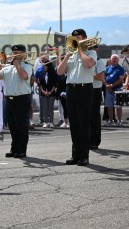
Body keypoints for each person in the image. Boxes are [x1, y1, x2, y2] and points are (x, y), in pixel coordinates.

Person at [57, 28, 97, 166]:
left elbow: (89, 64)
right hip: (71, 89)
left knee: (84, 124)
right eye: (74, 38)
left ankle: (84, 156)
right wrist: (67, 56)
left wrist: (80, 50)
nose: (75, 40)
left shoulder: (91, 52)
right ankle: (75, 155)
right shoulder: (71, 54)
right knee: (74, 124)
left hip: (84, 89)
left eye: (78, 37)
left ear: (85, 38)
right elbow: (60, 72)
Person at [0, 44, 32, 158]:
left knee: (21, 125)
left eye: (17, 53)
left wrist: (17, 65)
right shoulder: (7, 67)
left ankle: (21, 150)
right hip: (9, 99)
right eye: (14, 52)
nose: (14, 54)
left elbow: (24, 77)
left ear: (23, 55)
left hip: (22, 98)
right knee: (12, 126)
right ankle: (14, 148)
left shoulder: (27, 66)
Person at [90, 45, 105, 150]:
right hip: (87, 89)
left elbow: (100, 77)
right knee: (87, 117)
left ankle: (95, 141)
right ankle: (88, 139)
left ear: (96, 50)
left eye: (92, 48)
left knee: (94, 116)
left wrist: (88, 74)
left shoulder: (99, 61)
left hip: (95, 90)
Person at [104, 54, 125, 126]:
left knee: (118, 106)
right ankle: (111, 120)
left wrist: (112, 85)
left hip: (118, 89)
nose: (114, 60)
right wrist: (107, 85)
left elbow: (121, 79)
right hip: (108, 89)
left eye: (116, 58)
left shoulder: (121, 69)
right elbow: (103, 78)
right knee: (109, 106)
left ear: (118, 60)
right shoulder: (107, 68)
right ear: (110, 60)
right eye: (113, 59)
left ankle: (119, 121)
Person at [40, 61, 58, 128]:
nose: (43, 67)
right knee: (45, 108)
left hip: (51, 94)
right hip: (43, 94)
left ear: (48, 66)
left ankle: (51, 122)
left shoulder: (53, 74)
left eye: (45, 66)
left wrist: (50, 92)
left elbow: (54, 85)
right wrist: (43, 91)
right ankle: (45, 122)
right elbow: (40, 84)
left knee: (50, 108)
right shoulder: (43, 73)